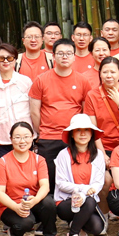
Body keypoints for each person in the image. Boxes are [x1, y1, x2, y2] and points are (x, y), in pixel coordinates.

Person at [29, 38, 94, 185]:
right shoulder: (41, 80)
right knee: (49, 178)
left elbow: (85, 111)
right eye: (60, 53)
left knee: (75, 177)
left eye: (69, 53)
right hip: (48, 136)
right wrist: (41, 131)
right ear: (53, 56)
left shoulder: (83, 80)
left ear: (74, 56)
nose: (65, 57)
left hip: (74, 136)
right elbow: (34, 111)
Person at [0, 122, 65, 236]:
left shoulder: (39, 160)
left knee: (49, 202)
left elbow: (45, 186)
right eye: (17, 137)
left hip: (33, 201)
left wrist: (35, 200)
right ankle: (15, 233)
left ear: (32, 137)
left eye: (26, 137)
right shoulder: (2, 162)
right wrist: (16, 207)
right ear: (11, 139)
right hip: (11, 205)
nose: (22, 141)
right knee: (25, 223)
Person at [54, 114, 108, 236]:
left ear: (92, 133)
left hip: (88, 201)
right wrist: (83, 190)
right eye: (78, 130)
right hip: (66, 202)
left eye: (86, 130)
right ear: (72, 134)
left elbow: (98, 182)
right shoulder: (63, 155)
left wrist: (88, 192)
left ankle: (78, 224)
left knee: (97, 227)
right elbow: (61, 183)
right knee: (89, 201)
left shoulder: (98, 155)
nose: (83, 134)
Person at [0, 43, 33, 163]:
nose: (6, 61)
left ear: (15, 59)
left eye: (10, 58)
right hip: (0, 142)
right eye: (1, 58)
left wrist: (35, 135)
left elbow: (33, 111)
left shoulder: (26, 82)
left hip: (26, 141)